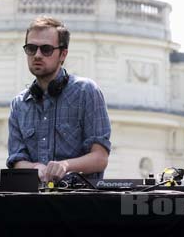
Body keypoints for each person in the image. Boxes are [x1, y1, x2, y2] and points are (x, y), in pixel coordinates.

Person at [6, 16, 111, 182]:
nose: (37, 55)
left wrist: (66, 166)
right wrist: (34, 168)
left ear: (63, 54)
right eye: (31, 48)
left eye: (46, 49)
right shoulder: (18, 104)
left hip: (80, 202)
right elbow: (16, 160)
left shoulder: (87, 91)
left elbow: (100, 158)